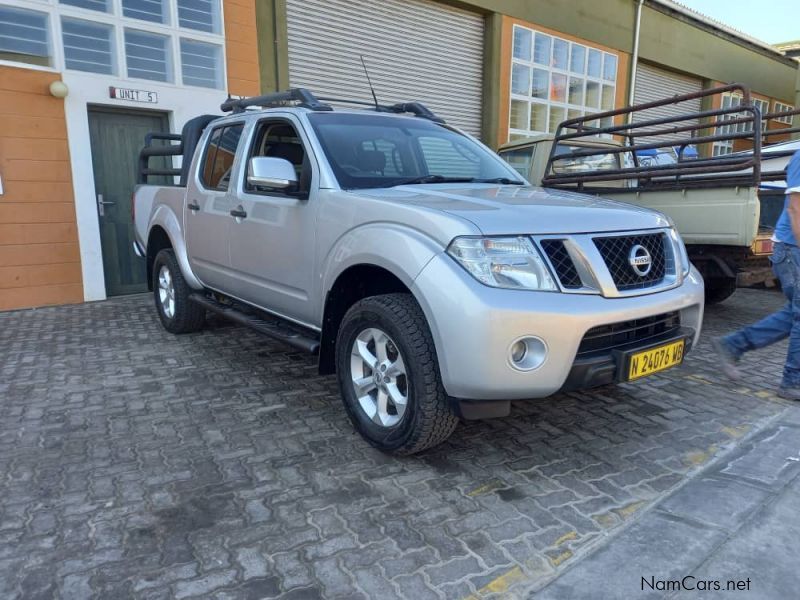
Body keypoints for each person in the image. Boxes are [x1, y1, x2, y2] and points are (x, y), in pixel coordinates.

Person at [713, 148, 800, 399]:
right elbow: (796, 209)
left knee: (792, 314)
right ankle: (791, 382)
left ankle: (733, 345)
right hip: (792, 249)